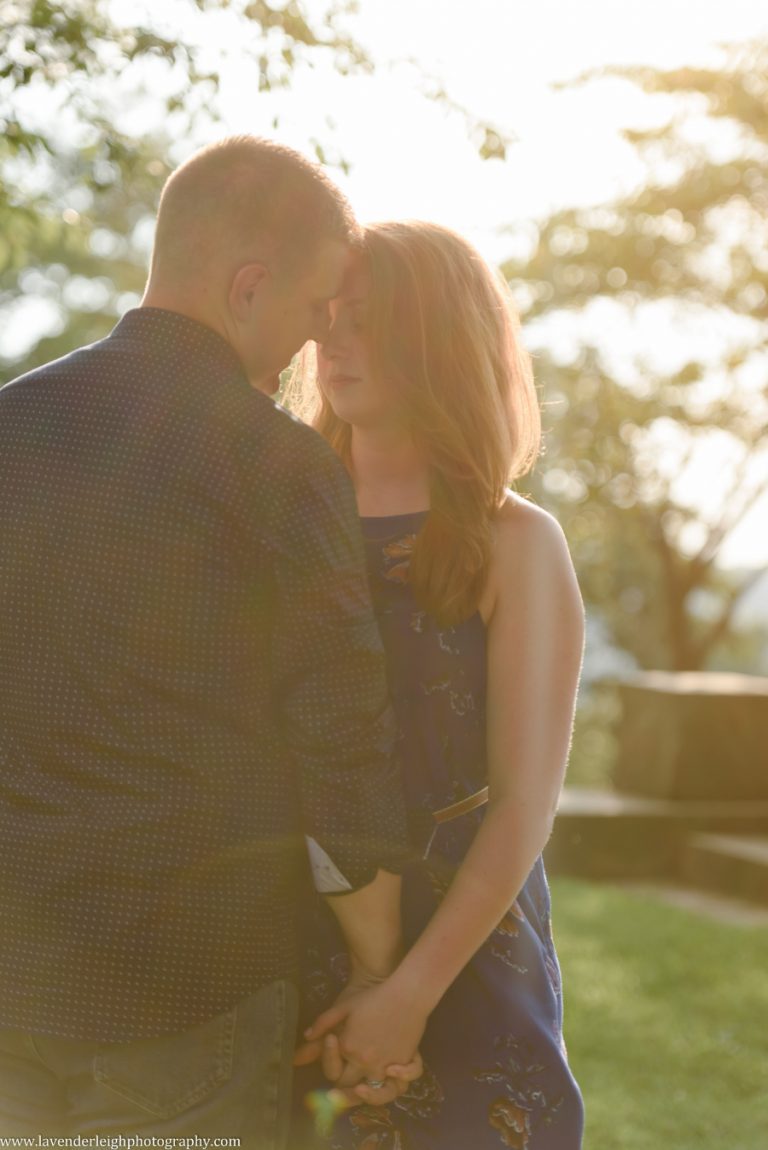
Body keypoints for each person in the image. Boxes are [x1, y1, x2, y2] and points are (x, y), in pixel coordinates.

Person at [0, 137, 418, 1143]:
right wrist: (376, 968)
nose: (321, 334)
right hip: (190, 991)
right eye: (318, 306)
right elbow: (340, 744)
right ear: (247, 286)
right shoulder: (277, 460)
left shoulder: (13, 424)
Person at [290, 220, 586, 1149]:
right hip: (289, 934)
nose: (332, 340)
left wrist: (407, 994)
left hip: (465, 952)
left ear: (441, 337)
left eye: (366, 320)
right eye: (325, 316)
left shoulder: (516, 542)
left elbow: (524, 805)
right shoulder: (282, 519)